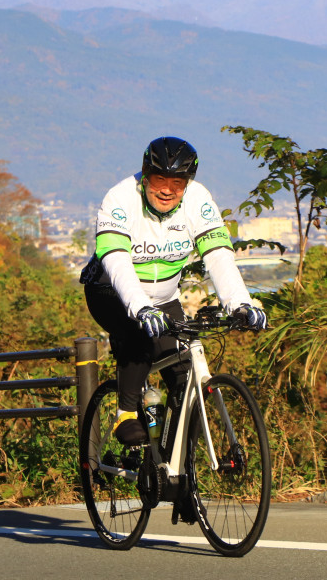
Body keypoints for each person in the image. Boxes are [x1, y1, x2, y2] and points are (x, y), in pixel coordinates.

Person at [81, 136, 267, 446]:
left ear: (188, 183)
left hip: (165, 299)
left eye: (178, 183)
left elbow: (218, 254)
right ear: (145, 175)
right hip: (111, 293)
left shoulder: (198, 200)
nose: (168, 189)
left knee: (184, 377)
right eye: (159, 179)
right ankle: (126, 414)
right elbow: (117, 260)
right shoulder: (120, 198)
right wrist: (139, 306)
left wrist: (240, 304)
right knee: (140, 338)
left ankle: (178, 475)